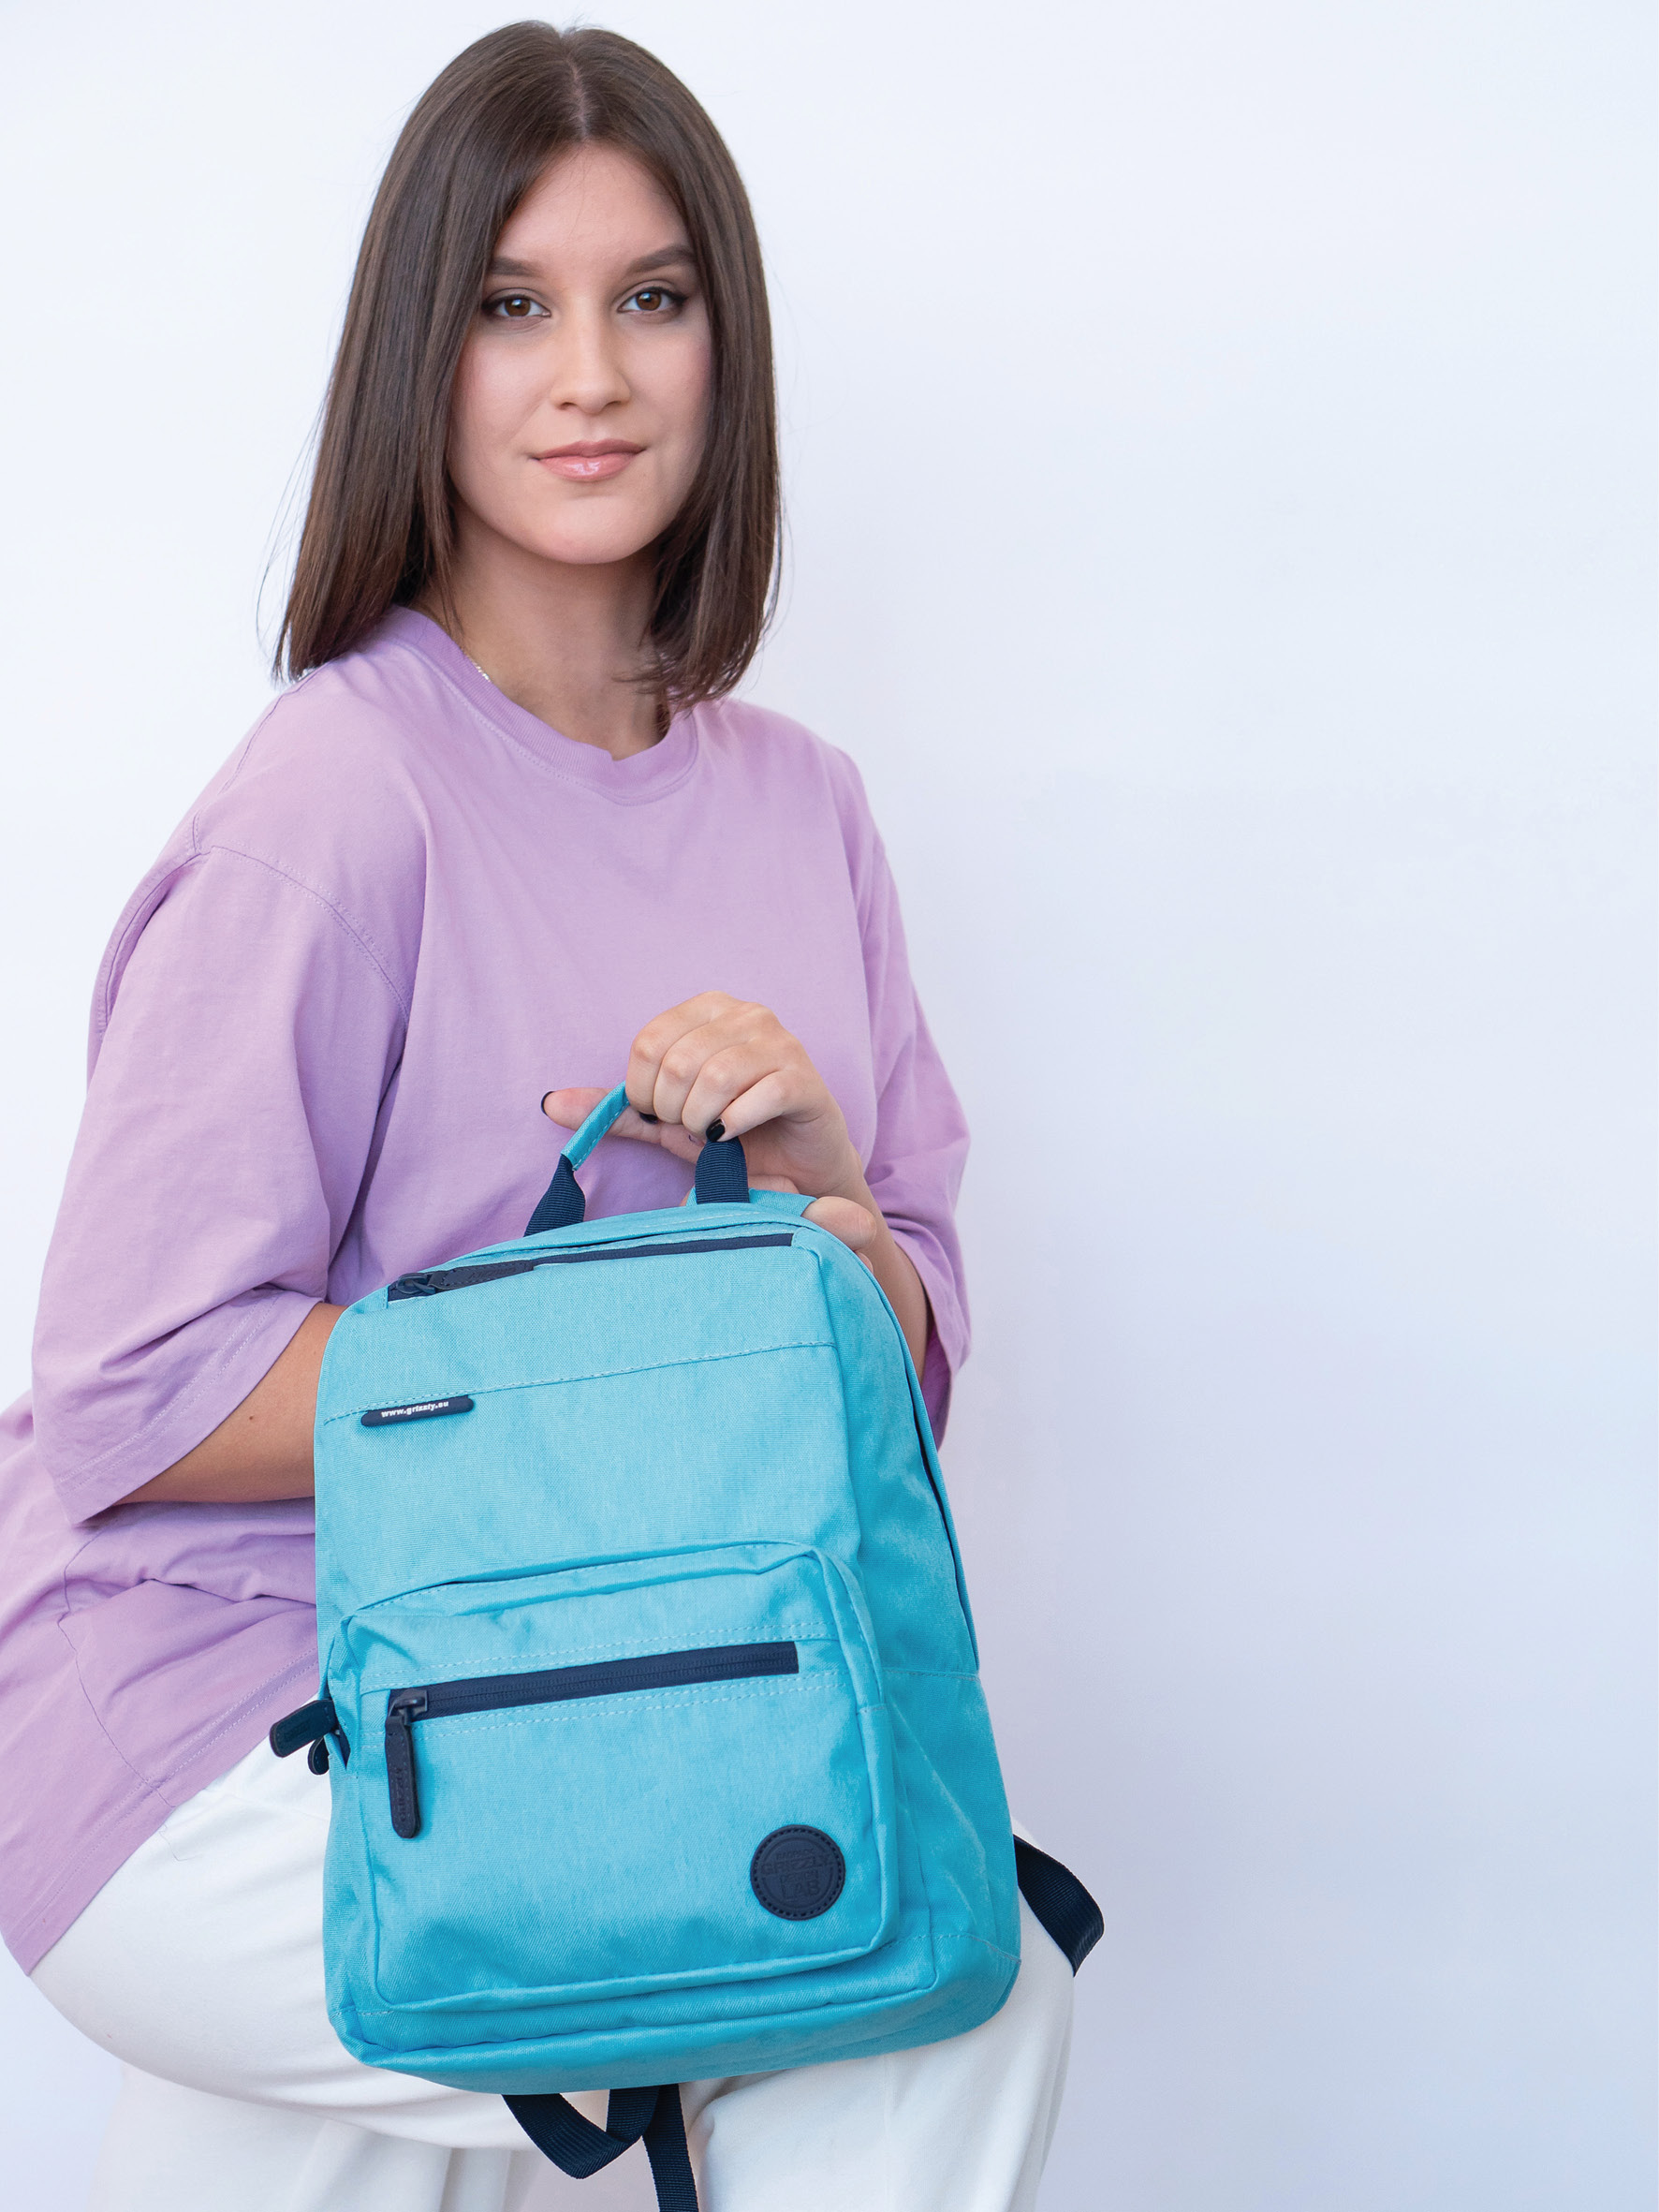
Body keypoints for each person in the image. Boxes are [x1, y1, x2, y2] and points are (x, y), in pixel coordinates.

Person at [0, 23, 1074, 2211]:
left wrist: (825, 1212)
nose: (590, 373)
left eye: (649, 297)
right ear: (427, 352)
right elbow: (131, 1384)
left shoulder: (807, 811)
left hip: (587, 1669)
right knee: (926, 1979)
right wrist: (657, 1358)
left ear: (721, 342)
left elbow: (894, 1386)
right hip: (218, 1704)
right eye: (513, 303)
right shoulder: (338, 795)